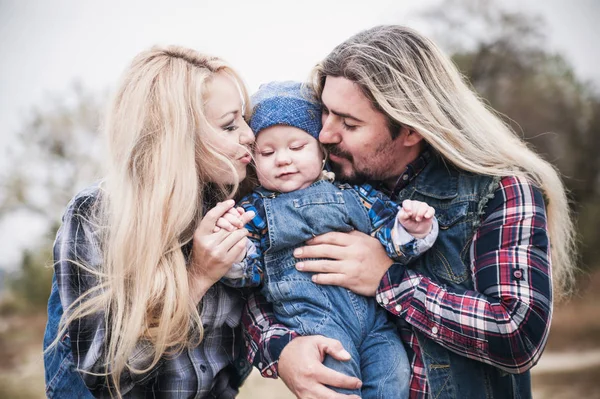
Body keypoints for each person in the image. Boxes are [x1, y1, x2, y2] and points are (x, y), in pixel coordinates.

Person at [243, 25, 577, 399]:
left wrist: (387, 280)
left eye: (349, 123)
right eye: (326, 114)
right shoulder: (323, 185)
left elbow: (517, 336)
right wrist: (282, 349)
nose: (325, 135)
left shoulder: (500, 190)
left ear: (410, 130)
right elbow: (264, 282)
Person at [43, 45, 257, 398]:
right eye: (230, 125)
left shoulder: (235, 203)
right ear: (177, 138)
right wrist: (198, 276)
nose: (249, 134)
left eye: (244, 120)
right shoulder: (97, 216)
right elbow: (105, 376)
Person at [219, 81, 438, 398]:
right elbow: (247, 275)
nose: (282, 159)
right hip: (316, 325)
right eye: (267, 152)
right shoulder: (254, 212)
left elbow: (394, 240)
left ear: (322, 152)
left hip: (376, 324)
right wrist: (233, 247)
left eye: (297, 147)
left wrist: (413, 227)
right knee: (337, 387)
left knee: (394, 378)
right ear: (253, 160)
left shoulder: (355, 194)